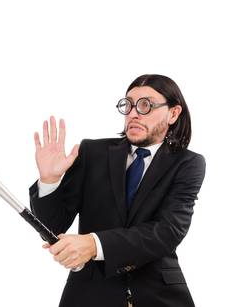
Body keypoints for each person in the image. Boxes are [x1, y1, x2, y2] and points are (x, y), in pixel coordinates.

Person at [31, 74, 205, 307]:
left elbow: (168, 231)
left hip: (158, 295)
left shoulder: (187, 164)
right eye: (129, 104)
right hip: (89, 295)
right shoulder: (92, 152)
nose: (133, 113)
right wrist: (50, 180)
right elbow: (53, 227)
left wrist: (94, 244)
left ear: (173, 113)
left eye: (146, 105)